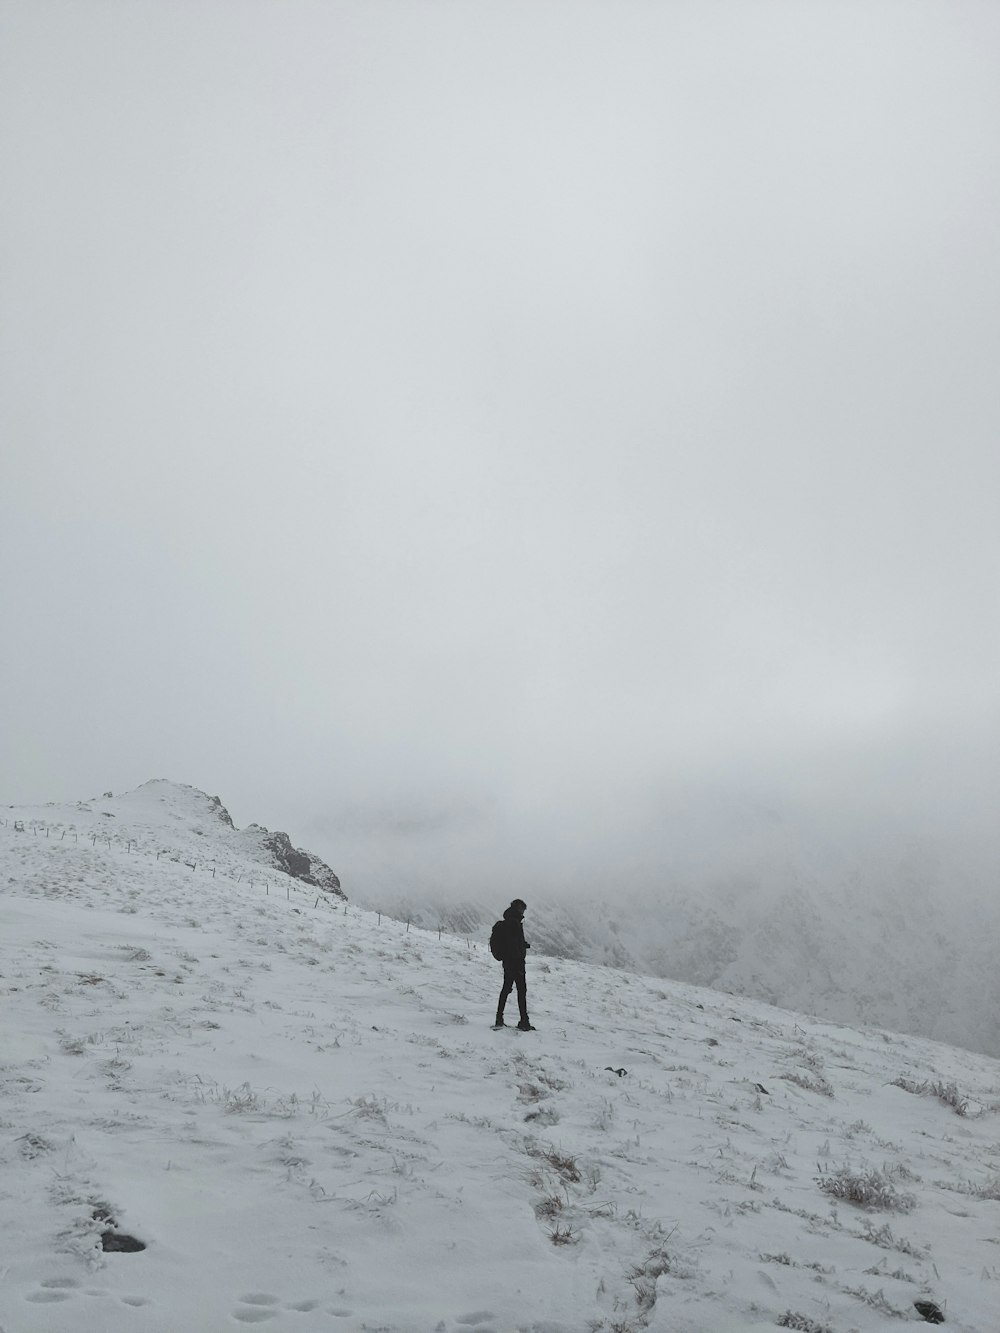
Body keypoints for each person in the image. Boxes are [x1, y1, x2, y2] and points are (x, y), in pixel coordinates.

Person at [494, 898, 535, 1030]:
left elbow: (511, 942)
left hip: (508, 962)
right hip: (516, 963)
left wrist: (523, 945)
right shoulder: (514, 923)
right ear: (518, 908)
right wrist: (519, 955)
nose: (524, 912)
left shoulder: (509, 922)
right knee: (521, 991)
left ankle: (499, 1019)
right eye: (523, 909)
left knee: (506, 989)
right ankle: (524, 1021)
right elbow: (513, 943)